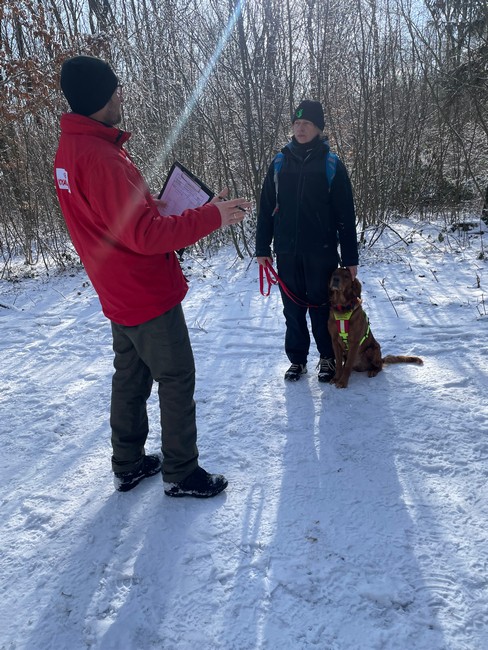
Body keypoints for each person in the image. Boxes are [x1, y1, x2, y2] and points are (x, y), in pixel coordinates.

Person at [54, 55, 250, 497]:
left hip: (116, 288)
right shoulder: (101, 157)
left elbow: (110, 215)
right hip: (144, 290)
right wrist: (213, 217)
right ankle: (182, 472)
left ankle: (127, 463)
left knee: (130, 376)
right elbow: (143, 235)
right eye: (116, 90)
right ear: (100, 97)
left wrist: (156, 206)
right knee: (175, 377)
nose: (121, 96)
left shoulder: (71, 149)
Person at [255, 100, 359, 382]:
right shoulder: (280, 162)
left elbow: (345, 215)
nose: (300, 129)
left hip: (321, 253)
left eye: (307, 124)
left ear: (318, 128)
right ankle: (297, 360)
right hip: (287, 252)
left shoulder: (331, 164)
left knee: (322, 307)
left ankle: (327, 357)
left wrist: (350, 258)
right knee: (292, 310)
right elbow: (266, 207)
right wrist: (262, 247)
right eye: (297, 123)